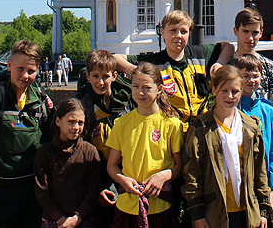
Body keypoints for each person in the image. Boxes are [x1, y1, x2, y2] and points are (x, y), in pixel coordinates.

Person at [0, 40, 54, 228]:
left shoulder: (42, 101)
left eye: (31, 71)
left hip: (32, 191)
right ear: (9, 66)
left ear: (38, 70)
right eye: (19, 69)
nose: (24, 75)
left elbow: (51, 140)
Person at [182, 65, 271, 228]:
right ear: (214, 90)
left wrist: (263, 209)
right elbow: (193, 173)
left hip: (246, 211)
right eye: (224, 91)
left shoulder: (250, 127)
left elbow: (260, 170)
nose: (230, 96)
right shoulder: (201, 128)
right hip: (214, 213)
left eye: (235, 91)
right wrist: (197, 214)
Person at [114, 10, 233, 129]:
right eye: (173, 31)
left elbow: (228, 47)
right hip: (172, 131)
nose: (178, 36)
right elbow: (114, 58)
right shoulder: (154, 63)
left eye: (184, 32)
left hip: (202, 129)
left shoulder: (199, 54)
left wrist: (219, 64)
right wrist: (133, 70)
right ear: (163, 33)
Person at [106, 62, 184, 228]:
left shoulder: (172, 124)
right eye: (135, 86)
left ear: (159, 89)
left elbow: (180, 166)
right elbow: (112, 165)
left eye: (147, 87)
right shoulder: (122, 123)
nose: (140, 92)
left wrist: (163, 176)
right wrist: (123, 180)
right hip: (127, 205)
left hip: (160, 206)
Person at [80, 49, 134, 226]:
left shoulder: (127, 100)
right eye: (95, 76)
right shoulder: (84, 103)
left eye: (105, 76)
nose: (100, 82)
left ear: (114, 76)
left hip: (125, 168)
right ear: (88, 76)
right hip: (97, 168)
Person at [34, 98, 102, 228]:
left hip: (83, 221)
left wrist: (78, 217)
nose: (76, 127)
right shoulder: (45, 153)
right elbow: (42, 190)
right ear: (58, 121)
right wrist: (59, 218)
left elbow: (93, 190)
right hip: (54, 221)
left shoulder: (90, 152)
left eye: (81, 123)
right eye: (71, 121)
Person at [234, 54, 273, 209]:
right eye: (246, 76)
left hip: (262, 184)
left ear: (262, 78)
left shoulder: (268, 111)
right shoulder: (230, 108)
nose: (251, 80)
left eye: (255, 76)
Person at [230, 7, 273, 119]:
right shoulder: (228, 65)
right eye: (245, 31)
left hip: (262, 126)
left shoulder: (270, 66)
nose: (250, 38)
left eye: (255, 32)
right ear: (236, 31)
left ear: (261, 33)